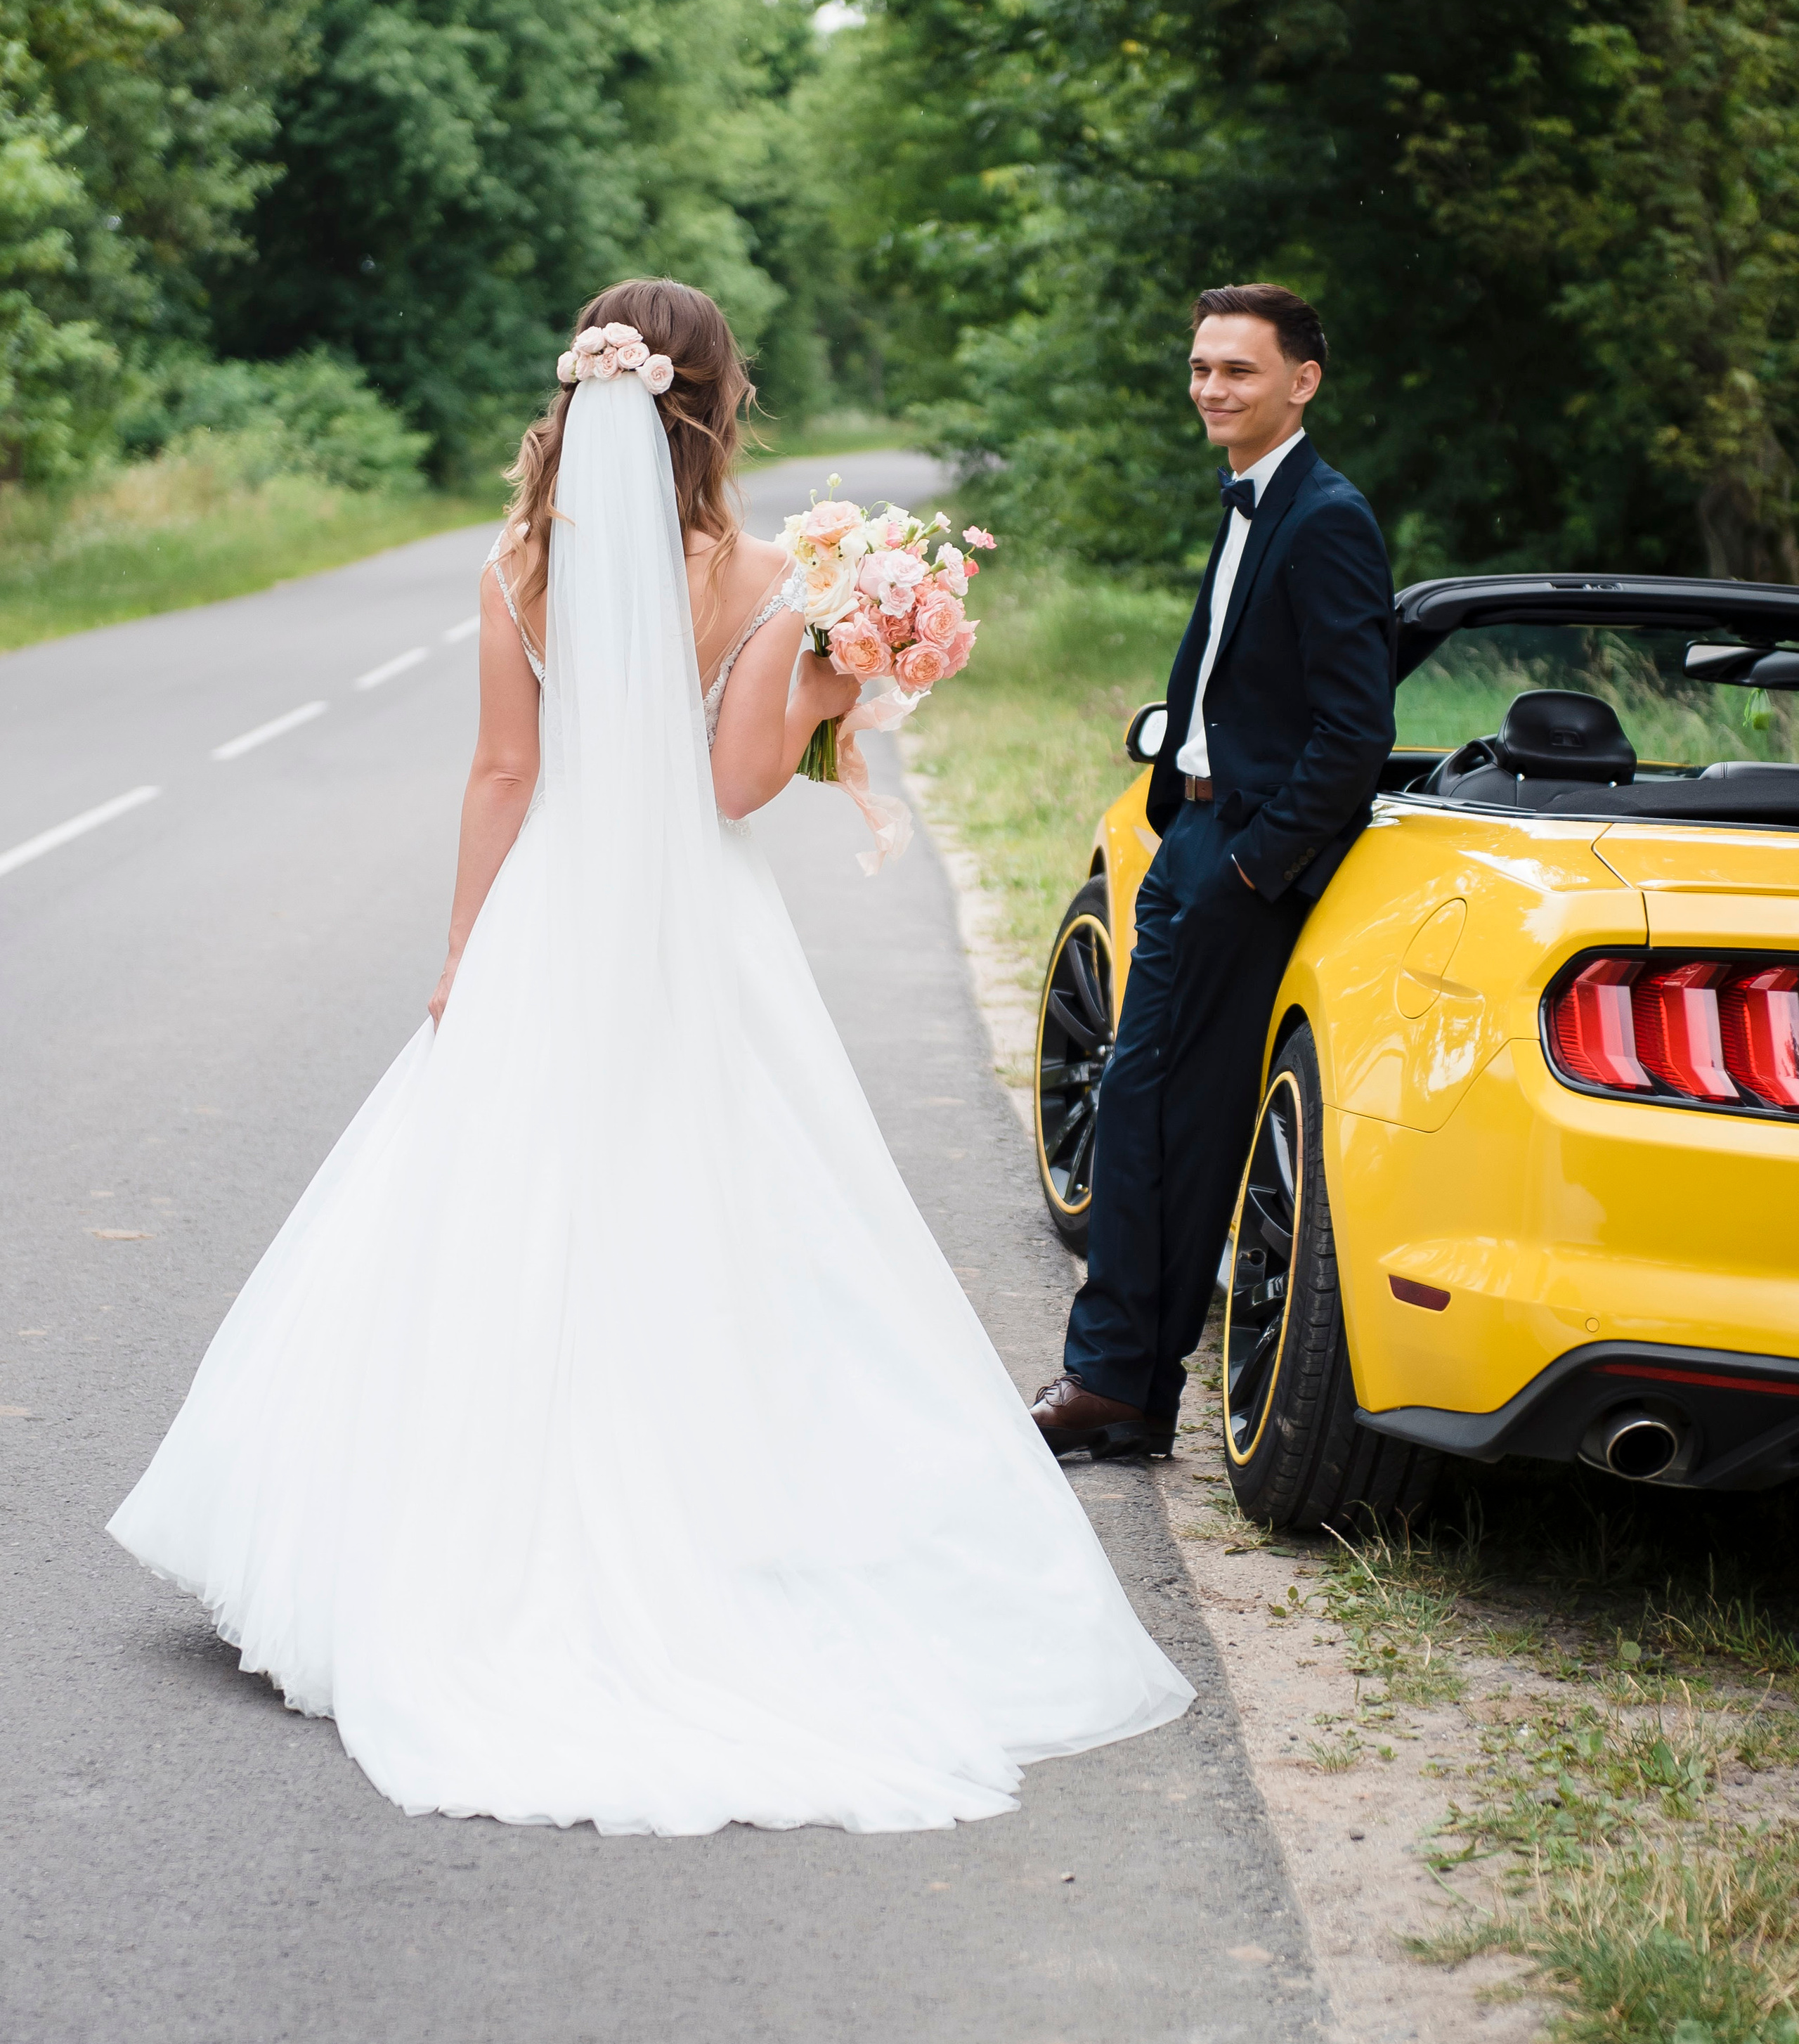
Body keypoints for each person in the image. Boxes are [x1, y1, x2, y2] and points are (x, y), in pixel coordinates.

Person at [110, 277, 1192, 1835]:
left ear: (584, 402)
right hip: (695, 923)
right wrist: (836, 679)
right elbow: (738, 785)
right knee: (728, 1198)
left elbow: (501, 766)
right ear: (722, 402)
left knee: (499, 1201)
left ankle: (454, 1535)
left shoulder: (520, 564)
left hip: (551, 909)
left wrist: (464, 950)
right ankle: (725, 1508)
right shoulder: (764, 574)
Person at [1031, 283, 1395, 1462]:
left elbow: (1354, 731)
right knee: (1145, 1115)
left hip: (1234, 862)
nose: (1211, 388)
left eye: (1237, 370)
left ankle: (1115, 1385)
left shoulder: (1327, 517)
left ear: (1304, 380)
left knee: (1165, 1125)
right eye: (1199, 367)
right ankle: (1124, 1386)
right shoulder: (1250, 502)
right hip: (1186, 839)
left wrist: (1248, 866)